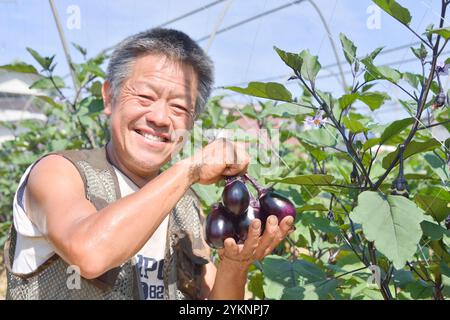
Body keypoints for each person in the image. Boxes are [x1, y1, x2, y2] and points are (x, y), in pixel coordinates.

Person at [3, 28, 294, 300]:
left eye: (179, 107)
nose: (159, 117)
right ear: (108, 97)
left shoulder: (186, 208)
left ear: (191, 122)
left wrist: (235, 263)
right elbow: (90, 254)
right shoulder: (59, 172)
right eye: (144, 96)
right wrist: (190, 169)